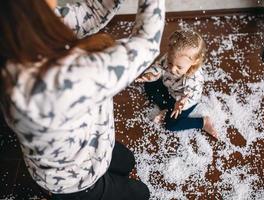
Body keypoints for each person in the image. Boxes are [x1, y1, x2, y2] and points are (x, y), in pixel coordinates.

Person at [0, 0, 165, 199]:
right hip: (74, 181)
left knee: (127, 162)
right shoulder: (55, 83)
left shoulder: (19, 27)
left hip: (93, 141)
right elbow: (146, 44)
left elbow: (91, 12)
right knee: (141, 193)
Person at [136, 30, 218, 138]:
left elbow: (188, 95)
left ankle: (202, 122)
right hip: (169, 88)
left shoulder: (194, 79)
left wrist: (181, 102)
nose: (172, 69)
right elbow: (159, 67)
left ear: (194, 61)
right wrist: (150, 75)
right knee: (149, 85)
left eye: (179, 67)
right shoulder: (171, 57)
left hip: (182, 101)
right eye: (170, 62)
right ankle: (165, 108)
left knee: (171, 125)